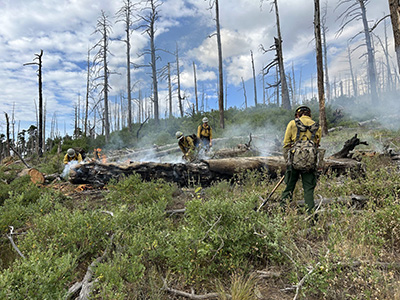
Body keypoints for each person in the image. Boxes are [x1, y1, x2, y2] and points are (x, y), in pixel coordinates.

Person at [281, 105, 322, 214]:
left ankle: (283, 212)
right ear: (309, 114)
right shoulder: (317, 126)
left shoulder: (292, 123)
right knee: (308, 189)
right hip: (310, 162)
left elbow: (286, 144)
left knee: (289, 187)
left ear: (298, 114)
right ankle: (311, 216)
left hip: (294, 161)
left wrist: (288, 162)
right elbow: (317, 145)